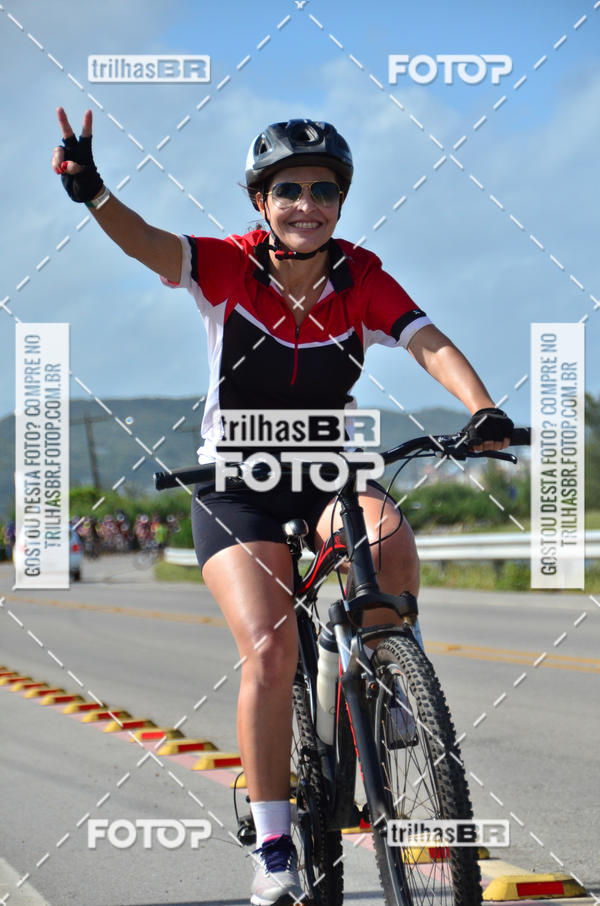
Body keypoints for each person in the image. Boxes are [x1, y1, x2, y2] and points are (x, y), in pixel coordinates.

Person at [52, 111, 513, 905]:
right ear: (261, 201)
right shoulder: (227, 267)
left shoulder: (362, 275)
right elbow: (148, 244)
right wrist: (94, 192)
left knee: (390, 541)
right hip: (237, 486)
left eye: (323, 191)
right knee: (269, 654)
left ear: (341, 201)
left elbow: (426, 338)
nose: (307, 204)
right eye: (289, 190)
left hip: (326, 474)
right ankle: (272, 847)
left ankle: (388, 681)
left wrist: (482, 407)